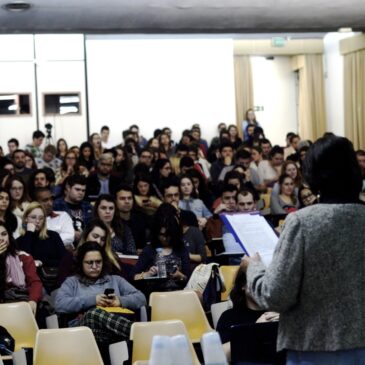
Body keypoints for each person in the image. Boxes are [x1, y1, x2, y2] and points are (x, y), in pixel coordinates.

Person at [243, 135, 365, 364]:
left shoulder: (302, 222)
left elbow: (275, 295)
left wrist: (254, 268)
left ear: (312, 175)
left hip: (315, 348)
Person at [55, 241, 146, 345]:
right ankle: (140, 334)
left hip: (110, 334)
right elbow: (59, 304)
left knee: (100, 323)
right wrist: (93, 300)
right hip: (82, 334)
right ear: (81, 263)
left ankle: (136, 334)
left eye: (98, 262)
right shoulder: (72, 282)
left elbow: (141, 298)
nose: (95, 266)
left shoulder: (115, 280)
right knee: (93, 313)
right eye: (89, 262)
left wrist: (120, 301)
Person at [133, 204, 190, 291]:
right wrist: (147, 274)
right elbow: (133, 277)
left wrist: (180, 276)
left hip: (178, 293)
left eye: (168, 235)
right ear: (156, 233)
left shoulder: (181, 249)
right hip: (156, 294)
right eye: (162, 235)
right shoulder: (149, 250)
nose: (165, 238)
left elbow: (189, 279)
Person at [16, 202, 66, 292]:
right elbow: (22, 261)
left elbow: (64, 261)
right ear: (26, 219)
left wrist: (42, 262)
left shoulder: (53, 236)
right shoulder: (19, 240)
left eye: (41, 218)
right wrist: (29, 233)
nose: (37, 221)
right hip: (29, 283)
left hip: (54, 281)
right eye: (33, 217)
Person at [0, 222, 42, 314]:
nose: (1, 239)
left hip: (21, 300)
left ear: (9, 236)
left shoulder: (23, 257)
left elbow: (35, 282)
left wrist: (33, 300)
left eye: (4, 234)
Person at [53, 174, 93, 242]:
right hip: (63, 244)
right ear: (68, 188)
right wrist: (71, 233)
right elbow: (52, 229)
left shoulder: (88, 206)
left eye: (83, 190)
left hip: (85, 243)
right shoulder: (56, 205)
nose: (81, 193)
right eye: (77, 189)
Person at [116, 185, 148, 252]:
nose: (127, 201)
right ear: (115, 201)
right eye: (122, 198)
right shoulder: (111, 221)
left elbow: (142, 246)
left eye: (129, 198)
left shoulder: (140, 220)